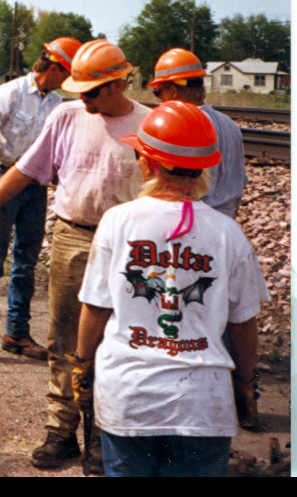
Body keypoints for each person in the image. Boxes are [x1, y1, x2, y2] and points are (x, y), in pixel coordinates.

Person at [0, 39, 150, 470]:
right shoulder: (67, 116)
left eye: (92, 91)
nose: (83, 97)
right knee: (65, 340)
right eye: (79, 88)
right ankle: (61, 432)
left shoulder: (149, 125)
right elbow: (24, 170)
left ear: (118, 83)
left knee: (119, 343)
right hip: (73, 238)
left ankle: (103, 437)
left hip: (130, 249)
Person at [72, 100, 268, 477]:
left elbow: (95, 308)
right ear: (204, 167)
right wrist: (245, 385)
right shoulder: (228, 234)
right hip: (202, 404)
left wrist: (82, 366)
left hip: (129, 397)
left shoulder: (118, 221)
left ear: (148, 162)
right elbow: (244, 323)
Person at [0, 37, 82, 367]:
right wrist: (15, 164)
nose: (68, 84)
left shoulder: (56, 103)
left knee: (26, 264)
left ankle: (17, 334)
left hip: (36, 188)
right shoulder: (11, 92)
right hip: (4, 180)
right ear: (55, 68)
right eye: (67, 75)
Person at [146, 48, 247, 218]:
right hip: (226, 221)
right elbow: (240, 181)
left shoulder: (184, 126)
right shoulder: (230, 125)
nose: (160, 99)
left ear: (172, 90)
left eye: (159, 92)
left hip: (194, 222)